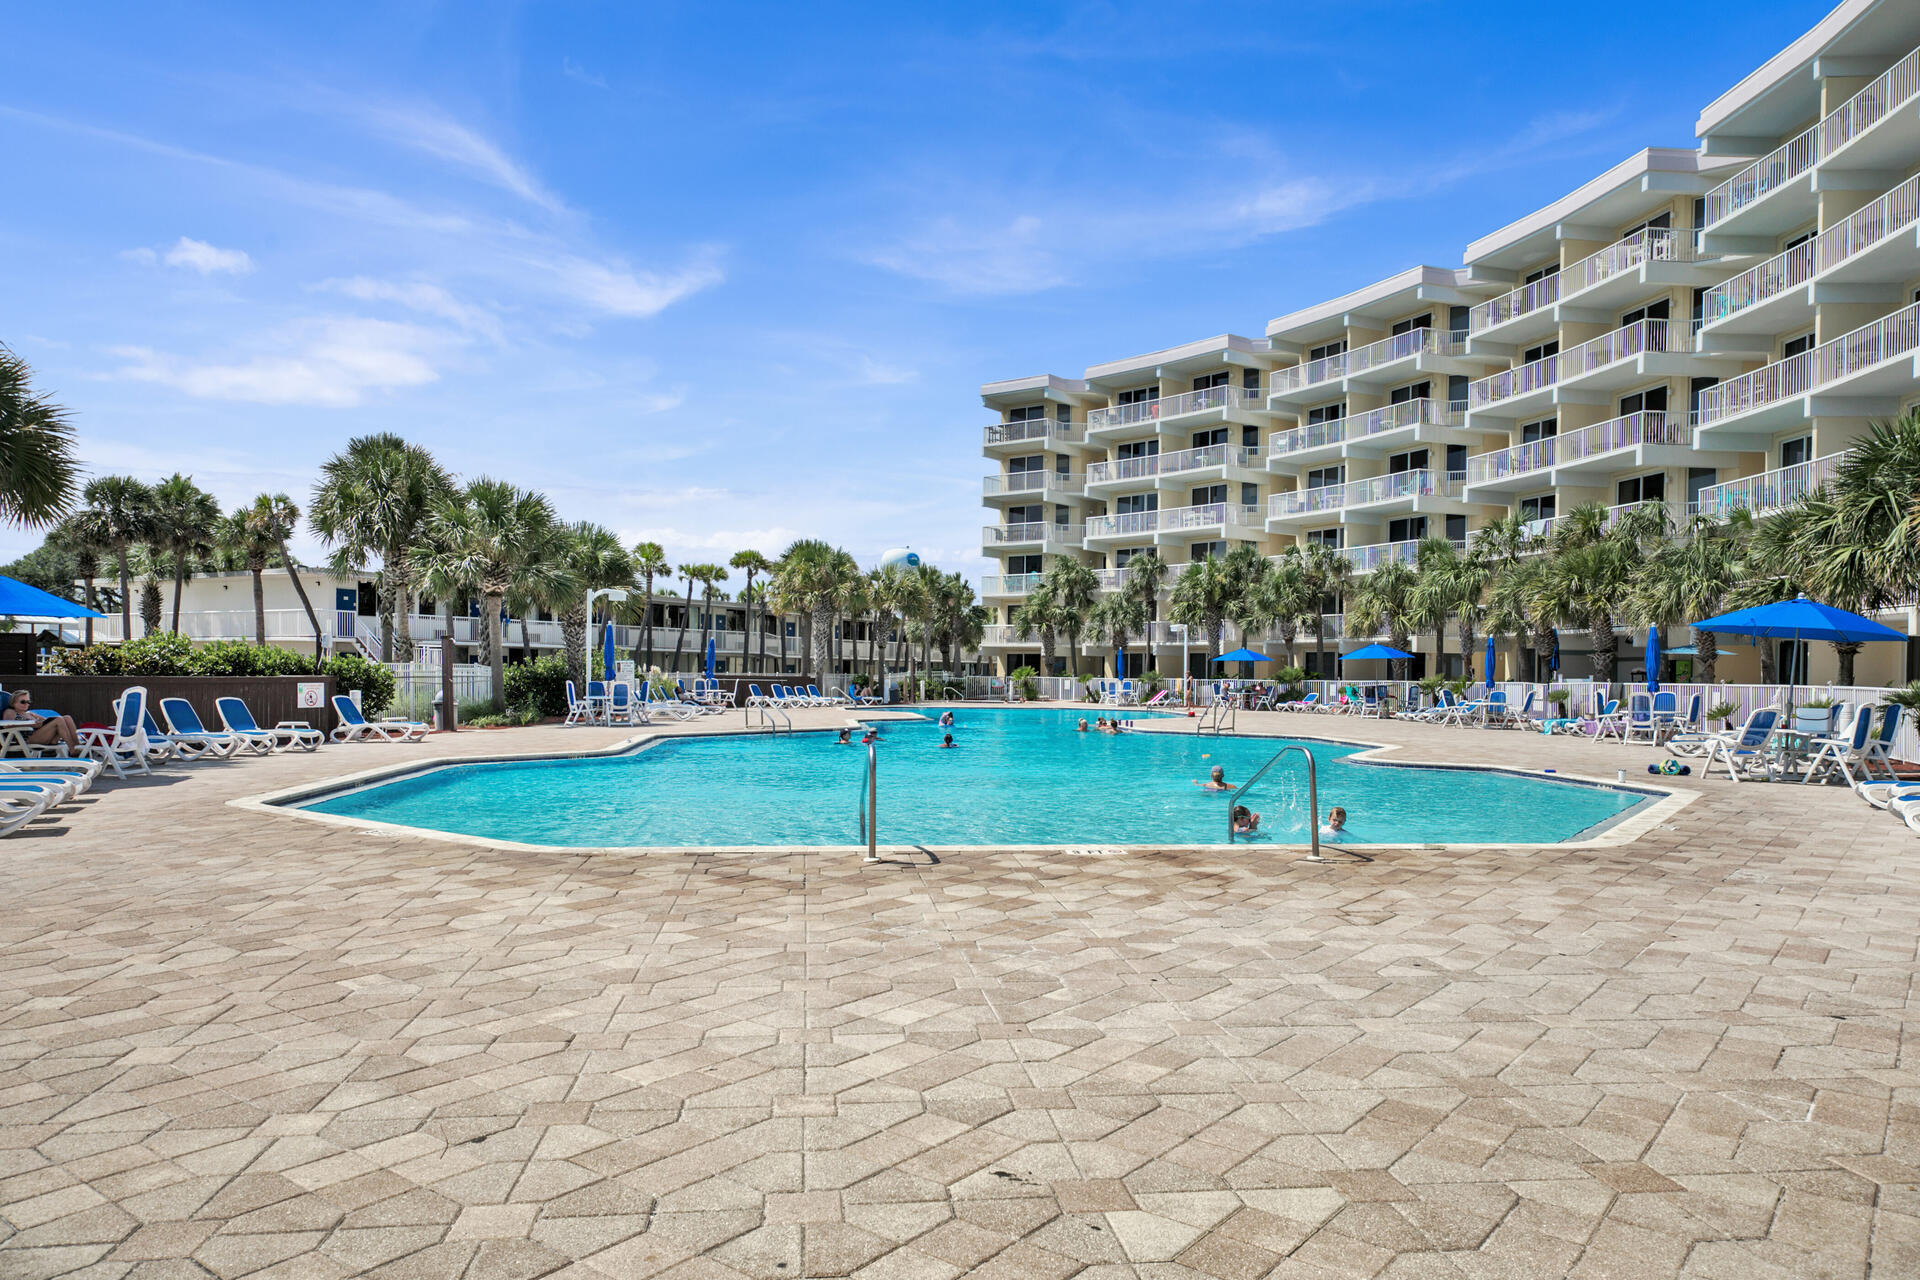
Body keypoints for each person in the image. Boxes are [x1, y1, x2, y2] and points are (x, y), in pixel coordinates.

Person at [6, 690, 78, 753]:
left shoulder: (29, 713)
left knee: (67, 718)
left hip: (42, 737)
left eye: (28, 702)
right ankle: (72, 749)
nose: (26, 704)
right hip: (26, 739)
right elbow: (7, 725)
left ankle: (78, 746)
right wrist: (31, 725)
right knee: (59, 720)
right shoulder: (10, 712)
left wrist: (40, 722)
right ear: (13, 703)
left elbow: (46, 721)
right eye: (23, 702)